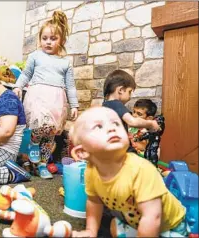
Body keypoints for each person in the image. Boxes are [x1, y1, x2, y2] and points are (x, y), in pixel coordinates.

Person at [70, 107, 189, 238]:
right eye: (98, 127)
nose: (112, 128)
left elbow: (152, 217)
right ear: (81, 152)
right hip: (136, 222)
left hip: (169, 226)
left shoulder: (140, 169)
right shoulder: (91, 172)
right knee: (114, 225)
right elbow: (94, 202)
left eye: (116, 123)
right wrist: (91, 231)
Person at [13, 10, 79, 179]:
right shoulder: (35, 56)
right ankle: (34, 144)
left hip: (57, 100)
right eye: (45, 38)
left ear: (61, 40)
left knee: (50, 133)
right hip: (38, 97)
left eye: (53, 39)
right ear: (40, 39)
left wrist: (75, 105)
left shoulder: (65, 62)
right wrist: (18, 86)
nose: (48, 42)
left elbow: (70, 86)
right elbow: (26, 74)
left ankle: (42, 164)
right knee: (38, 125)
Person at [102, 69, 160, 152]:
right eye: (129, 92)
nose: (130, 97)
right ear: (121, 90)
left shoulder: (105, 105)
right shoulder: (116, 104)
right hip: (124, 152)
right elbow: (133, 122)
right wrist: (151, 123)